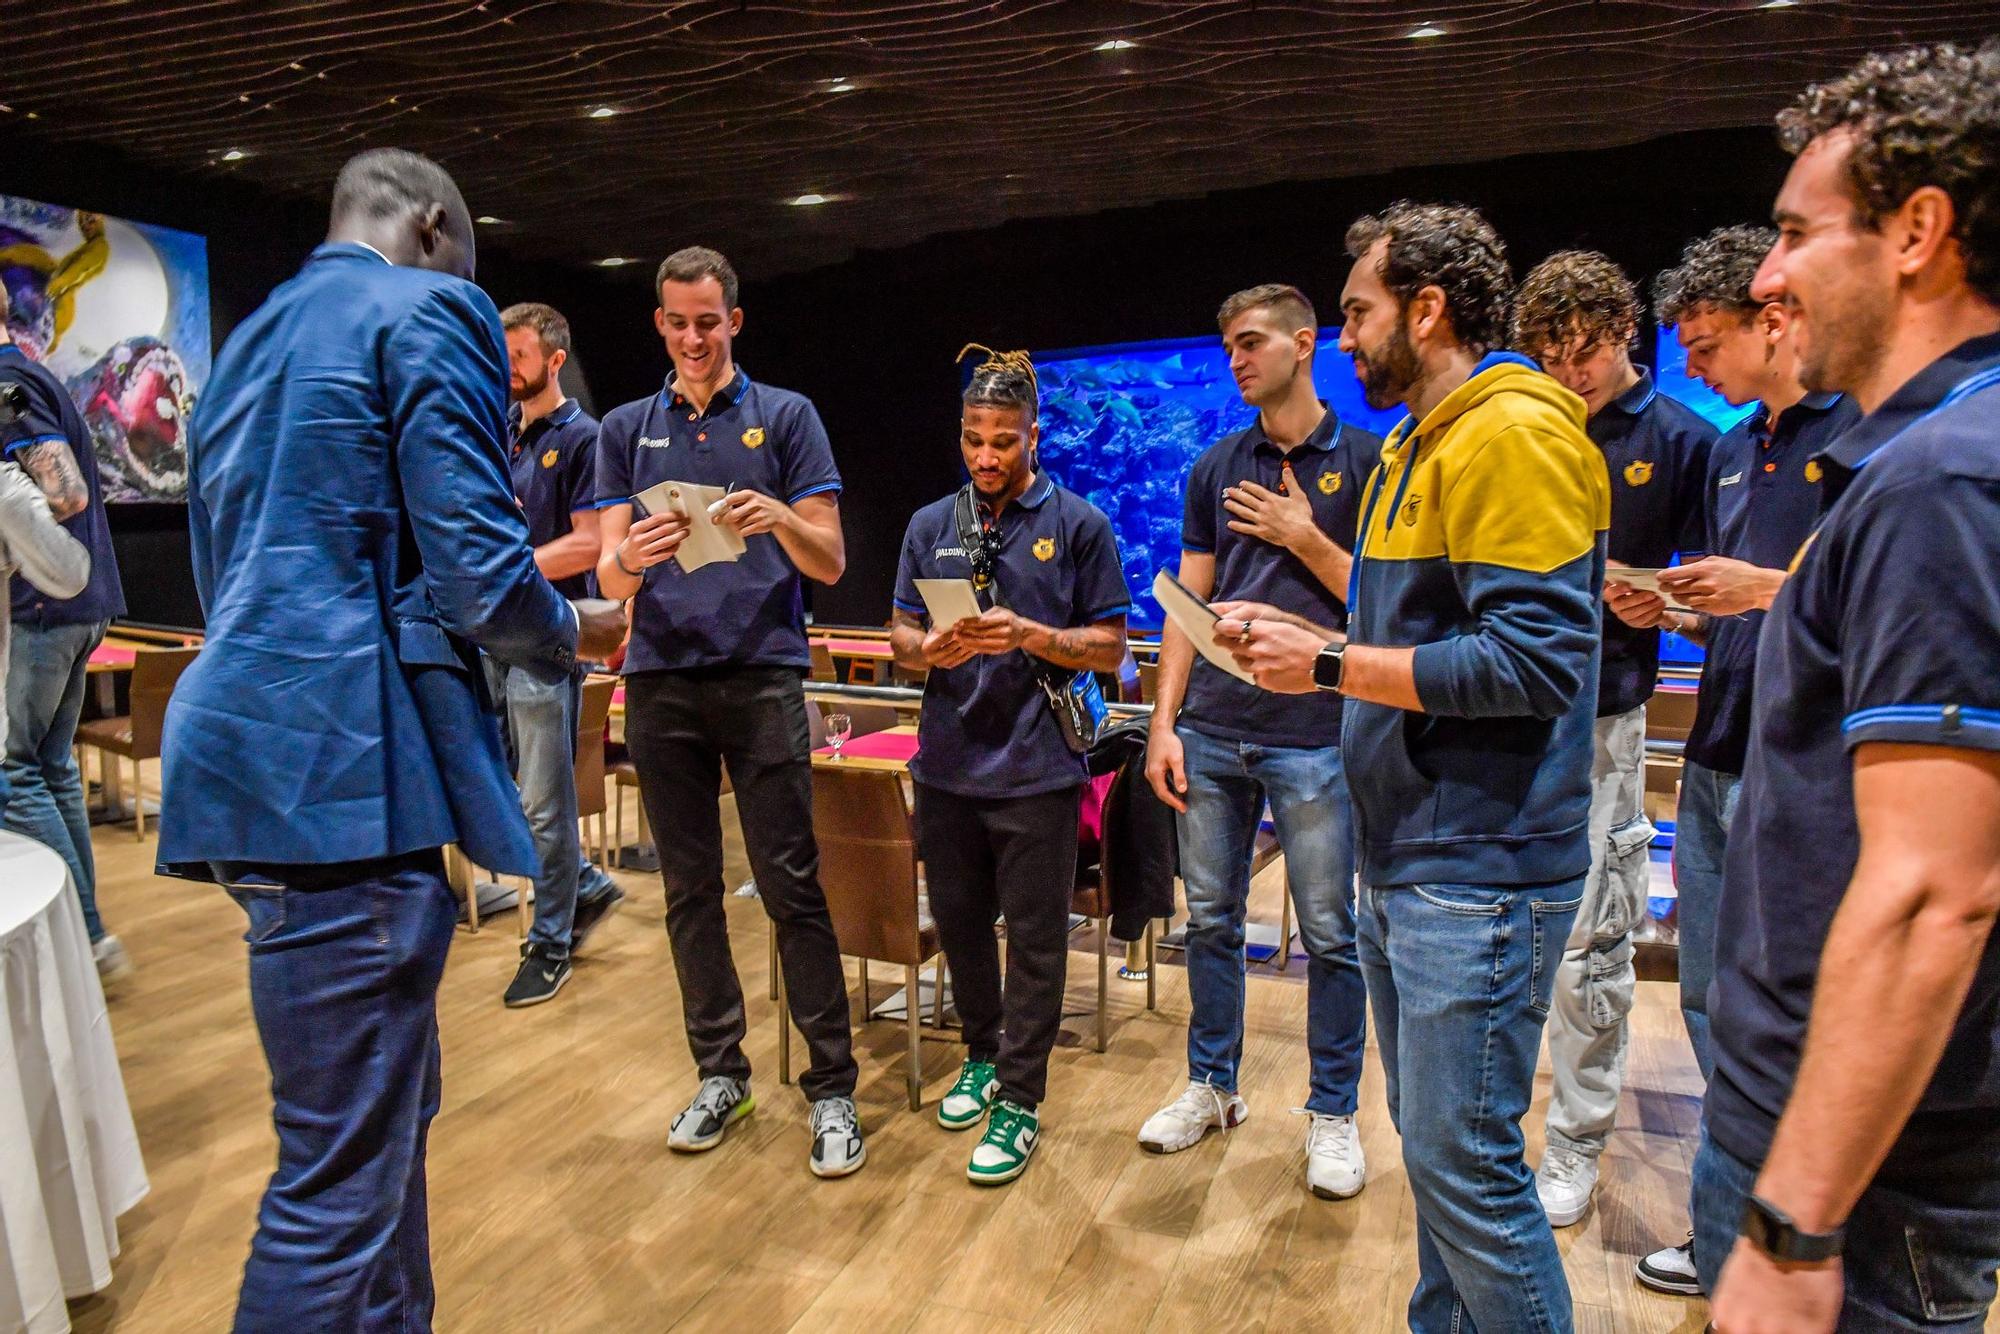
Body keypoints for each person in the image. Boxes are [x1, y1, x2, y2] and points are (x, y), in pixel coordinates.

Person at [157, 149, 624, 1331]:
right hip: (345, 774)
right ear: (431, 226)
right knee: (334, 1190)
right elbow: (477, 572)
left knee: (381, 1127)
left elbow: (226, 576)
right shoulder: (432, 306)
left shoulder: (249, 338)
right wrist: (577, 624)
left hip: (244, 754)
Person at [1224, 201, 1608, 1333]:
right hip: (1412, 854)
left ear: (1426, 309)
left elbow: (1534, 659)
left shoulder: (1514, 433)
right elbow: (1405, 612)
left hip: (1478, 860)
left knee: (1469, 1171)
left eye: (1355, 311)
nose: (1342, 338)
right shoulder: (1420, 439)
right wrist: (1302, 627)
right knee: (1439, 1162)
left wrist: (1330, 662)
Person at [1694, 41, 2000, 1331]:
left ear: (1916, 231)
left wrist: (1791, 1222)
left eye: (1791, 234)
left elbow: (1935, 888)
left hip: (1862, 1176)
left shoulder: (1941, 482)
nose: (1768, 277)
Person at [1621, 224, 1857, 1297]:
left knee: (1793, 1011)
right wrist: (1667, 602)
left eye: (1706, 341)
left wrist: (1758, 590)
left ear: (1772, 322)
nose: (1696, 364)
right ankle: (1730, 1228)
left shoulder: (1864, 434)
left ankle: (1792, 1233)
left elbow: (1871, 602)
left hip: (1812, 766)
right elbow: (1731, 615)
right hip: (1718, 753)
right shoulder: (1722, 450)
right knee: (1713, 1003)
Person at [594, 245, 863, 1179]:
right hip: (662, 680)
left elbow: (829, 560)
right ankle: (721, 1072)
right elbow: (605, 570)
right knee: (688, 894)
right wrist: (641, 551)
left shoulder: (786, 416)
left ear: (734, 321)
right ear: (660, 325)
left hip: (762, 677)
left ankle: (832, 1088)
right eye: (678, 322)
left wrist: (778, 517)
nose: (694, 337)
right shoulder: (626, 428)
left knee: (793, 888)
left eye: (709, 321)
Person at [1133, 284, 1379, 1201]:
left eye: (1250, 343)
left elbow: (1384, 603)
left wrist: (1304, 538)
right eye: (1227, 345)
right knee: (1210, 922)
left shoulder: (1367, 458)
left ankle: (1332, 1111)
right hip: (1213, 733)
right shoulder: (1214, 464)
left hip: (1318, 733)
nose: (1236, 360)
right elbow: (1185, 607)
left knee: (1330, 933)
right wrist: (1163, 723)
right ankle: (1212, 1085)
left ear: (1304, 344)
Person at [888, 346, 1130, 1185]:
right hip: (947, 765)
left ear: (1035, 434)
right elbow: (900, 638)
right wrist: (934, 648)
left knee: (1034, 943)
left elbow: (1110, 648)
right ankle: (982, 1057)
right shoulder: (929, 525)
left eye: (1004, 440)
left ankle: (1022, 1098)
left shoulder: (1081, 525)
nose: (986, 456)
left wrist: (1029, 633)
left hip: (1038, 771)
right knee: (960, 931)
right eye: (972, 439)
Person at [1512, 250, 1716, 1227]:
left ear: (1623, 331)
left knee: (1590, 946)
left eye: (1584, 350)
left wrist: (1654, 591)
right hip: (1506, 719)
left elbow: (1727, 596)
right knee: (1509, 942)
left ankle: (1575, 1147)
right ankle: (1494, 1130)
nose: (1570, 372)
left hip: (1605, 720)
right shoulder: (1522, 431)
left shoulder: (1678, 439)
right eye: (1550, 355)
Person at [490, 301, 623, 1007]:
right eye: (502, 353)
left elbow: (592, 542)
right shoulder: (506, 436)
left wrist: (508, 569)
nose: (509, 366)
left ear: (554, 359)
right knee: (514, 794)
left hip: (547, 640)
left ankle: (549, 943)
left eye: (519, 354)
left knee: (544, 804)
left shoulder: (585, 439)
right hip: (495, 634)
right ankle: (587, 885)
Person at [0, 282, 131, 979]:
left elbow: (65, 495)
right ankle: (90, 936)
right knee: (49, 770)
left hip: (39, 612)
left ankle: (85, 936)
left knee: (13, 773)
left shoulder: (5, 385)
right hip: (69, 612)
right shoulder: (29, 374)